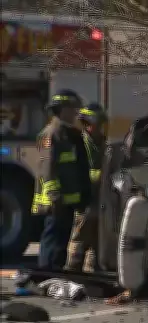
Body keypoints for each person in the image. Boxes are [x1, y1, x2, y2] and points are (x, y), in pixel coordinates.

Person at [32, 90, 91, 270]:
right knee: (53, 238)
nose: (76, 112)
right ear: (62, 109)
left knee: (61, 240)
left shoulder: (71, 134)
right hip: (56, 201)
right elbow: (47, 167)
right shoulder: (52, 133)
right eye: (73, 108)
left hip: (68, 200)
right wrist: (54, 194)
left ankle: (55, 272)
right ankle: (46, 273)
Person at [65, 103, 108, 272]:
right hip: (86, 199)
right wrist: (103, 175)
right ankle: (72, 271)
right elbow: (83, 172)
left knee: (96, 240)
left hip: (100, 199)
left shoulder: (101, 141)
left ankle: (92, 275)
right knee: (79, 238)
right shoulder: (81, 142)